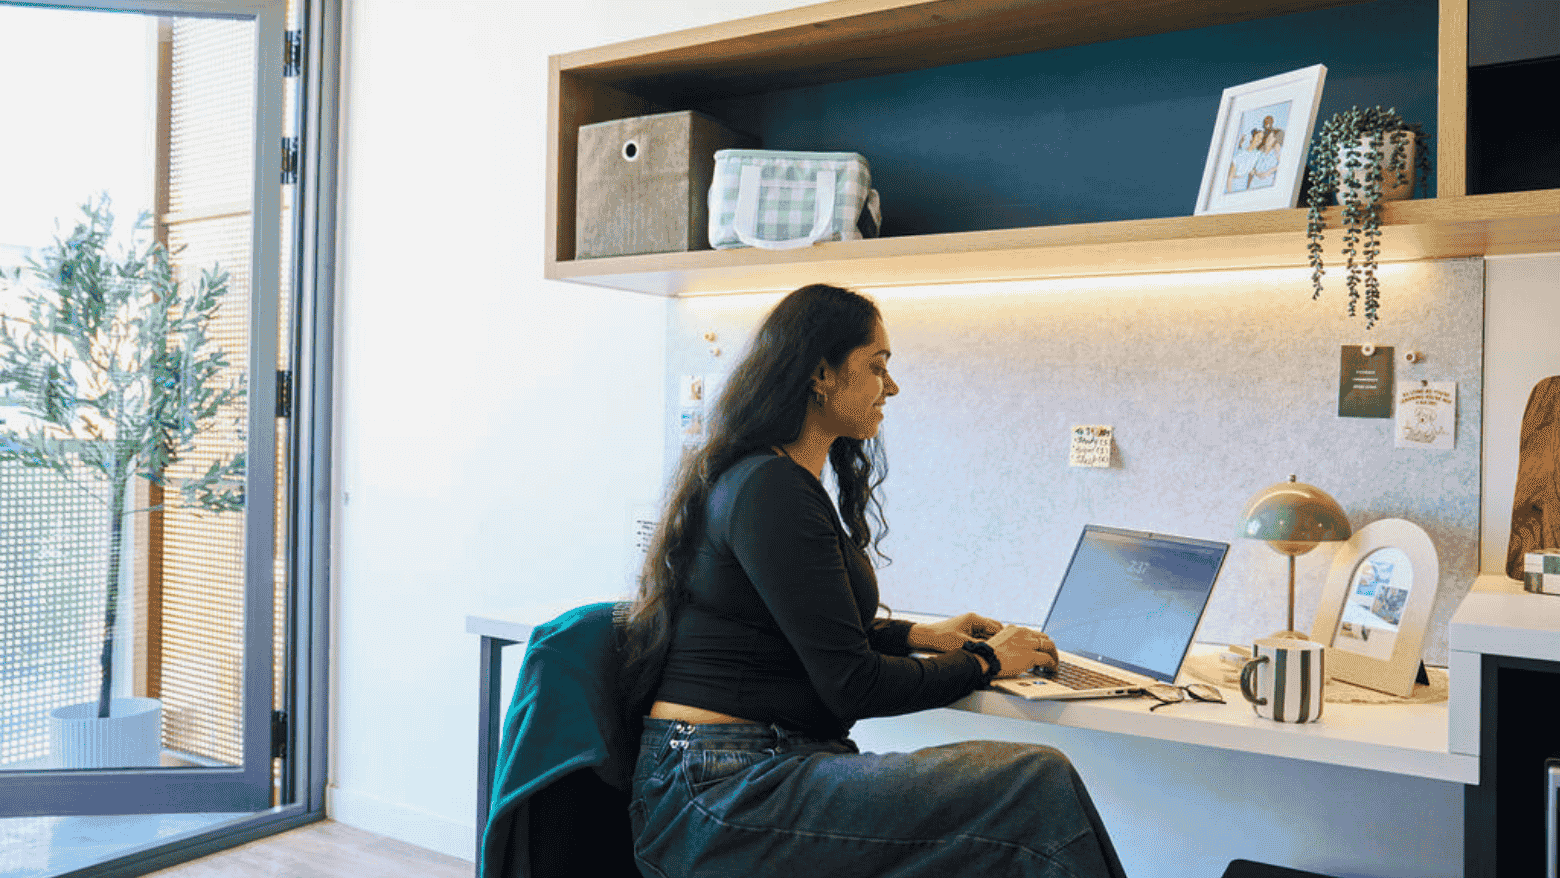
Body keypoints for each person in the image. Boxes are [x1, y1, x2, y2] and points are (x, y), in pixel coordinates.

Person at [622, 283, 1129, 878]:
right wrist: (988, 662)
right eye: (876, 367)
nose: (891, 388)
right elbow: (853, 686)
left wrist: (920, 635)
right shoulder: (771, 490)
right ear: (820, 375)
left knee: (1024, 804)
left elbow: (808, 635)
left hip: (737, 770)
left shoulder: (771, 481)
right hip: (721, 789)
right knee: (1034, 785)